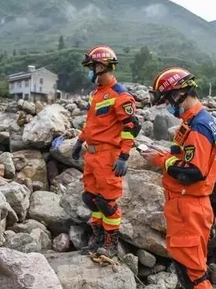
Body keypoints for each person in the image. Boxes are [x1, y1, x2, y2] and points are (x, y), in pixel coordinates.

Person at [140, 67, 216, 289]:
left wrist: (161, 161)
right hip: (184, 206)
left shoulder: (199, 126)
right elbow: (184, 157)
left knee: (194, 274)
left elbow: (193, 173)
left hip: (190, 207)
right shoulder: (192, 121)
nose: (167, 106)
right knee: (186, 268)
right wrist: (162, 154)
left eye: (167, 100)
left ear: (178, 95)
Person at [72, 44, 141, 257]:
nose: (90, 70)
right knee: (90, 199)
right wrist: (79, 141)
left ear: (102, 66)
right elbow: (91, 123)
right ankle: (97, 239)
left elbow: (132, 127)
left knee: (107, 203)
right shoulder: (96, 94)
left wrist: (124, 156)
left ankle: (110, 244)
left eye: (92, 66)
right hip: (92, 155)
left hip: (108, 156)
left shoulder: (120, 95)